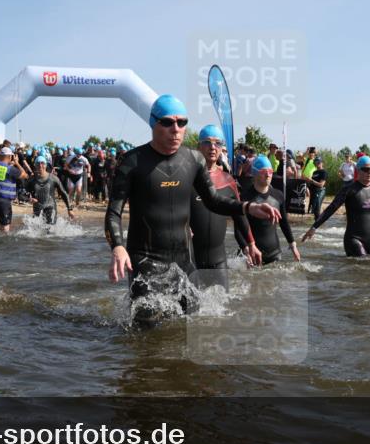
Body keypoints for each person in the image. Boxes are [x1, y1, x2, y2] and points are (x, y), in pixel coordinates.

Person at [106, 95, 281, 323]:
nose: (176, 129)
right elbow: (113, 212)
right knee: (146, 331)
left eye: (182, 122)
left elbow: (214, 200)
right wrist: (118, 247)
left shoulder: (192, 160)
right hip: (145, 260)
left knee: (195, 322)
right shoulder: (132, 161)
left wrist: (248, 207)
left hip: (182, 260)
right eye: (167, 122)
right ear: (153, 123)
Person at [302, 155, 370, 256]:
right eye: (366, 169)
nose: (369, 172)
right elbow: (331, 209)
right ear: (358, 171)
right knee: (361, 265)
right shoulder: (349, 190)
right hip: (354, 239)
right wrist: (314, 227)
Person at [190, 125, 259, 289]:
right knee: (188, 312)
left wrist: (250, 244)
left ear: (222, 148)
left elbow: (239, 215)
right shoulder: (187, 176)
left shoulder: (228, 180)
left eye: (217, 143)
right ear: (198, 146)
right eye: (207, 142)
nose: (212, 147)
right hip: (190, 257)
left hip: (218, 258)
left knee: (223, 311)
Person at [238, 155, 299, 264]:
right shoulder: (244, 198)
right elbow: (238, 229)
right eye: (263, 171)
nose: (268, 175)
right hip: (251, 253)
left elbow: (284, 222)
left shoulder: (278, 195)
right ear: (254, 173)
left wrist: (292, 244)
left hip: (274, 253)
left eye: (270, 171)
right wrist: (245, 249)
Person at [0, 146, 27, 232]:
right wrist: (17, 163)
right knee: (4, 227)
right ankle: (3, 244)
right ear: (10, 157)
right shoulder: (10, 169)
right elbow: (25, 175)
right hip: (4, 202)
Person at [27, 157, 73, 226]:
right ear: (35, 165)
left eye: (42, 163)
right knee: (37, 231)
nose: (40, 165)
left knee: (50, 232)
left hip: (51, 207)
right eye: (38, 164)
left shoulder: (53, 178)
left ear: (46, 165)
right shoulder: (31, 180)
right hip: (37, 209)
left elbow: (64, 193)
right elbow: (22, 192)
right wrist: (29, 198)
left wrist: (70, 209)